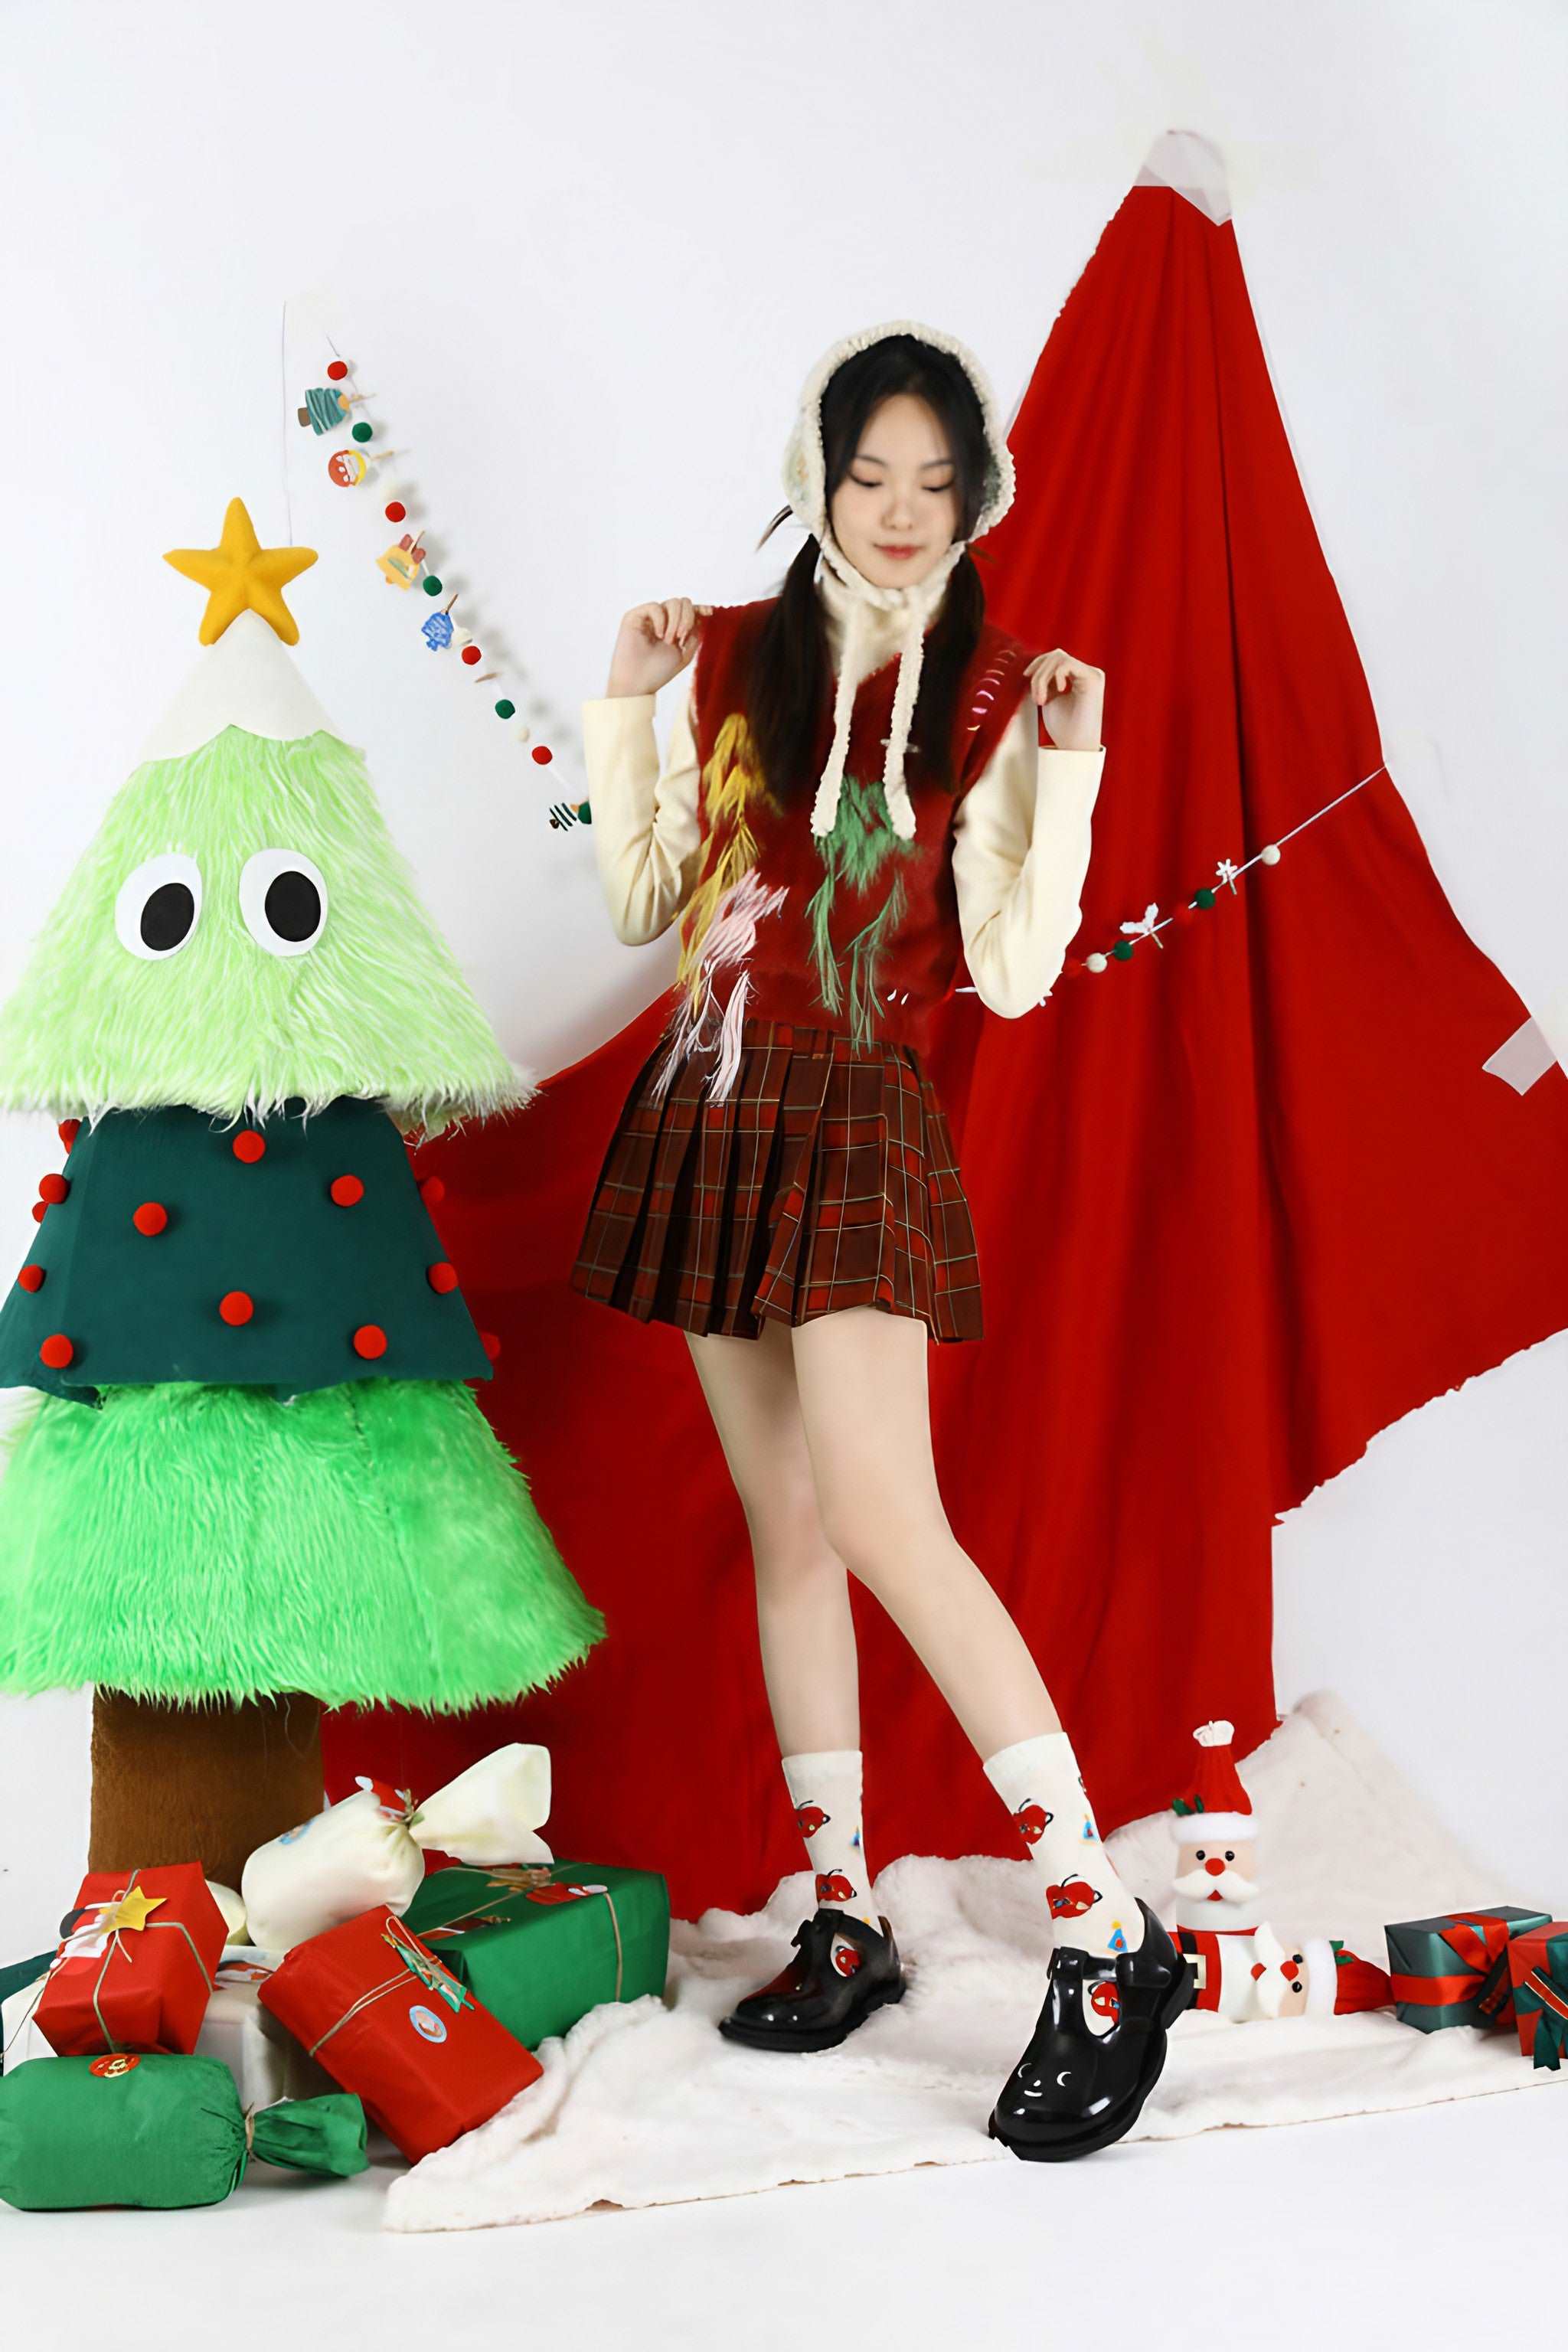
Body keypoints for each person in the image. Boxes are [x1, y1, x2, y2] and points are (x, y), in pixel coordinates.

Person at [570, 320, 1191, 2161]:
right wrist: (628, 698)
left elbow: (1007, 967)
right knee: (784, 1530)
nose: (904, 512)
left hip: (852, 1123)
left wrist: (1067, 770)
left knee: (881, 1519)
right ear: (817, 479)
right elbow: (642, 898)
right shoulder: (738, 662)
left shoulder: (1003, 694)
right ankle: (840, 1909)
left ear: (975, 490)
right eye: (870, 476)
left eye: (937, 480)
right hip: (708, 1109)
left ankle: (1103, 1928)